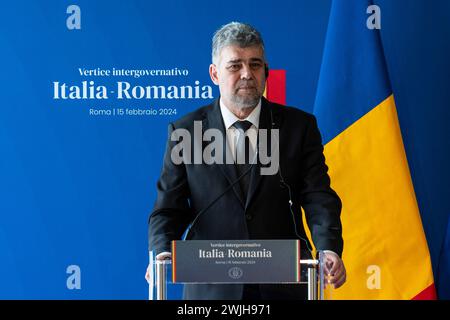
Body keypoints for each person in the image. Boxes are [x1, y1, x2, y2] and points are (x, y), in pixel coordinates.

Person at [146, 22, 346, 300]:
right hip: (212, 288)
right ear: (214, 74)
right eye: (234, 65)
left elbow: (317, 196)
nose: (246, 74)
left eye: (255, 65)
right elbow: (167, 209)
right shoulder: (186, 132)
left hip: (283, 284)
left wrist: (328, 247)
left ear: (266, 72)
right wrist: (161, 252)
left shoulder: (299, 127)